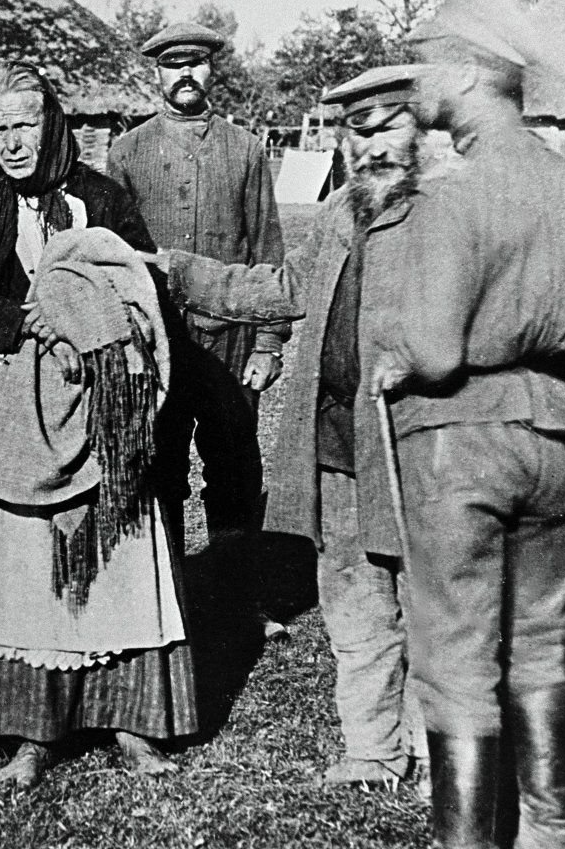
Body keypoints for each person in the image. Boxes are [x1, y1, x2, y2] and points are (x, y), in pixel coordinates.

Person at [367, 0, 565, 849]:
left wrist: (399, 355)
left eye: (429, 61)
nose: (415, 81)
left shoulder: (454, 195)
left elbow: (437, 353)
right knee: (548, 652)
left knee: (455, 659)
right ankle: (551, 836)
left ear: (473, 73)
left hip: (461, 450)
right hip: (562, 442)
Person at [136, 65, 434, 793]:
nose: (370, 146)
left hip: (421, 445)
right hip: (335, 438)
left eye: (387, 127)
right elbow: (284, 287)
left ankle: (436, 748)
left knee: (432, 599)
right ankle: (371, 749)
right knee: (350, 595)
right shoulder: (340, 210)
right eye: (355, 132)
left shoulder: (455, 211)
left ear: (424, 129)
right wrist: (176, 268)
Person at [0, 61, 195, 790]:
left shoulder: (101, 197)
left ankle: (131, 721)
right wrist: (32, 323)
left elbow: (141, 289)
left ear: (54, 123)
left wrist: (86, 328)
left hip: (99, 400)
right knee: (19, 562)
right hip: (13, 397)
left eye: (25, 124)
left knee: (116, 550)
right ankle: (31, 733)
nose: (12, 142)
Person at [106, 22, 288, 588]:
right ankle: (168, 596)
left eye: (196, 63)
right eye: (171, 65)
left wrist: (269, 341)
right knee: (158, 466)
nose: (184, 75)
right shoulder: (128, 152)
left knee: (234, 465)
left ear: (213, 70)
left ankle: (236, 595)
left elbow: (267, 250)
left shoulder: (246, 149)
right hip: (156, 341)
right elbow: (114, 258)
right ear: (155, 73)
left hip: (231, 340)